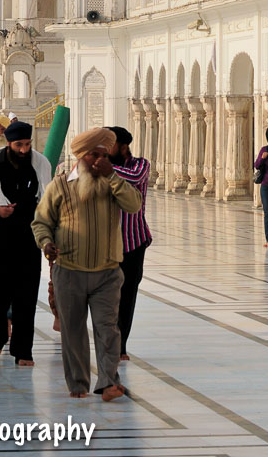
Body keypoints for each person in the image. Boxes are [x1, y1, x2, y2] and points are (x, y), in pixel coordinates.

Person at [32, 128, 141, 402]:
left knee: (108, 329)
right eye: (94, 155)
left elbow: (133, 205)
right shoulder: (60, 184)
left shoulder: (112, 184)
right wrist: (46, 243)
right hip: (69, 270)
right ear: (81, 156)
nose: (99, 161)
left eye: (105, 155)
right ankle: (79, 383)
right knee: (74, 331)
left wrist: (112, 176)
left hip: (107, 271)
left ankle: (108, 382)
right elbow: (41, 221)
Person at [0, 120, 51, 366]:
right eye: (19, 145)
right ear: (9, 143)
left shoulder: (39, 164)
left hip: (28, 238)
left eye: (27, 144)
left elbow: (48, 200)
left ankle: (23, 351)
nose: (24, 150)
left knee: (26, 296)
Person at [106, 125, 152, 360]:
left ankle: (120, 345)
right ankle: (109, 343)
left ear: (123, 147)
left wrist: (106, 170)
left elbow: (134, 178)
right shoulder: (98, 167)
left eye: (109, 144)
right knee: (106, 296)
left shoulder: (140, 165)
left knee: (127, 294)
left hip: (134, 242)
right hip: (106, 244)